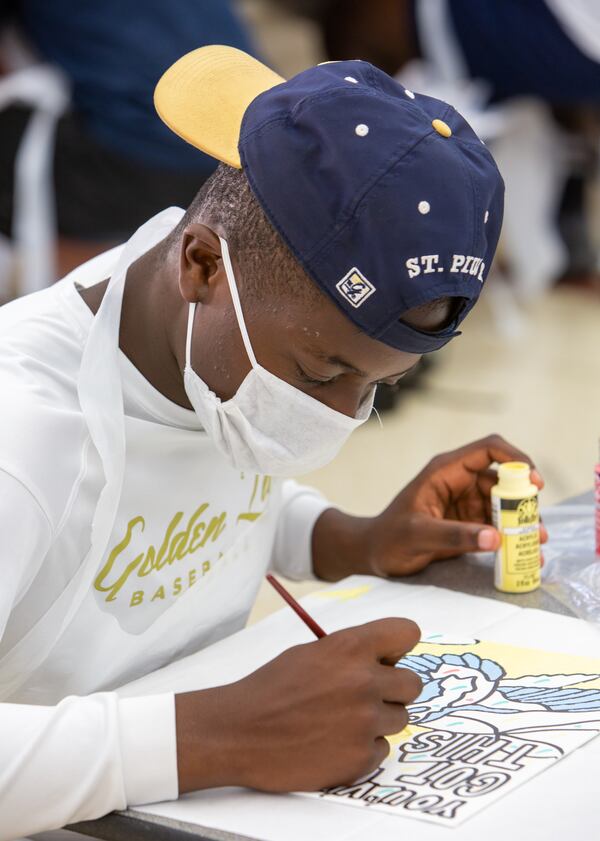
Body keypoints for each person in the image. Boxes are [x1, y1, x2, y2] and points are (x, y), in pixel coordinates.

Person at [0, 46, 544, 838]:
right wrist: (221, 735)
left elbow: (212, 482)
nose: (341, 415)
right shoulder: (20, 437)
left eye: (376, 389)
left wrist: (349, 540)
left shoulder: (193, 344)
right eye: (323, 372)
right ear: (202, 266)